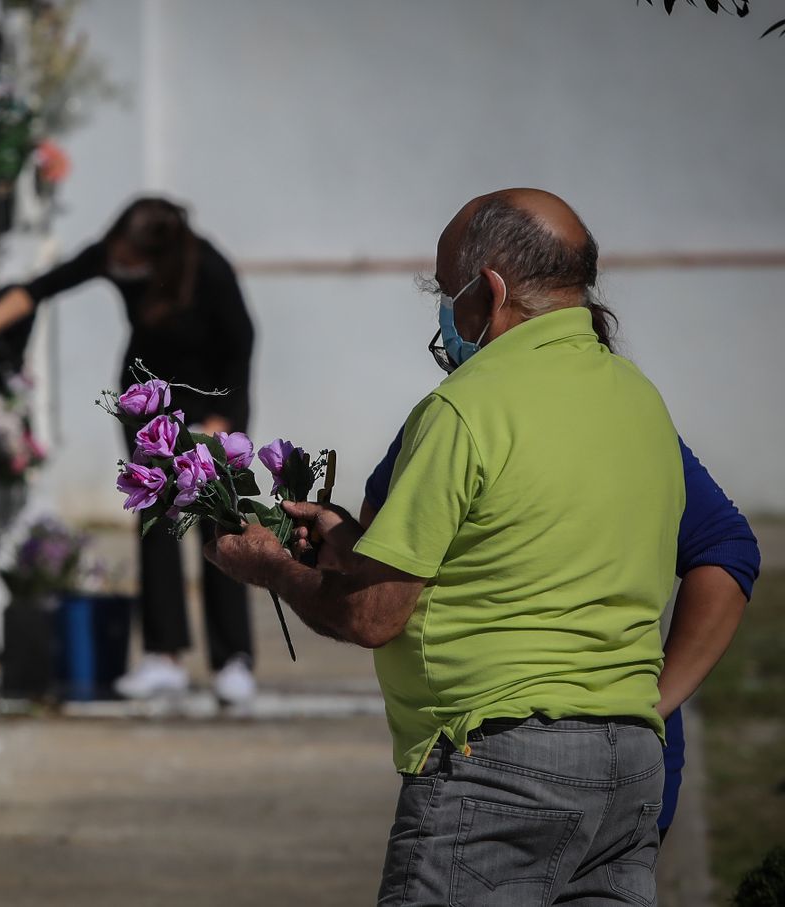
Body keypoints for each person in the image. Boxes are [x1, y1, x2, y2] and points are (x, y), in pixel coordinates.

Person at [206, 188, 687, 905]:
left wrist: (270, 566)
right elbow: (517, 547)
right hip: (630, 767)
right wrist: (350, 540)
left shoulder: (467, 405)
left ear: (489, 289)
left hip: (500, 768)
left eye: (443, 289)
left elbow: (374, 616)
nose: (442, 313)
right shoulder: (639, 398)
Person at [364, 427, 757, 841]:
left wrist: (301, 568)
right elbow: (728, 549)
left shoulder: (462, 415)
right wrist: (652, 707)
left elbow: (374, 600)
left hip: (494, 765)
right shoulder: (633, 413)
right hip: (630, 771)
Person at [0, 197, 257, 703]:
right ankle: (163, 655)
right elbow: (41, 288)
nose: (121, 262)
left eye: (132, 256)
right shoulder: (110, 255)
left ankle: (233, 659)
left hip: (211, 404)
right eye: (118, 250)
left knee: (218, 528)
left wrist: (223, 421)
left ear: (160, 255)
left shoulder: (208, 267)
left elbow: (242, 342)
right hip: (147, 401)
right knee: (157, 523)